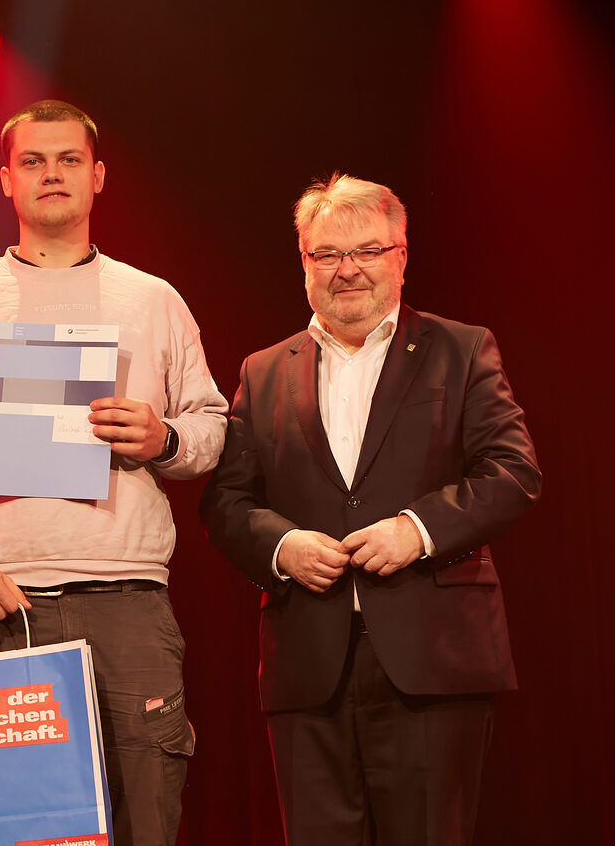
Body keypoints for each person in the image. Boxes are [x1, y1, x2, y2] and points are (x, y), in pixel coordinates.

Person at [0, 99, 228, 845]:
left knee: (145, 819)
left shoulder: (153, 300)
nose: (52, 174)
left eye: (69, 159)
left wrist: (163, 436)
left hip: (127, 601)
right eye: (33, 161)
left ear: (98, 175)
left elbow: (212, 428)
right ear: (6, 180)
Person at [199, 172, 541, 845]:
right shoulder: (263, 371)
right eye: (327, 253)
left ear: (401, 256)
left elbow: (513, 470)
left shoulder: (461, 349)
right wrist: (283, 547)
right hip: (308, 667)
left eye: (367, 250)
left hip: (433, 660)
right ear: (304, 263)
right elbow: (227, 501)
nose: (347, 268)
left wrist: (418, 529)